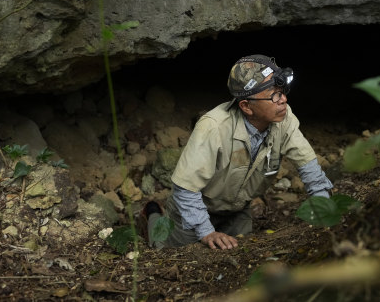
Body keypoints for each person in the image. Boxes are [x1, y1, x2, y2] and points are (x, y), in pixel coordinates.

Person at [143, 54, 333, 250]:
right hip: (195, 206)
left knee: (242, 255)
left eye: (282, 91)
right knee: (166, 250)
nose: (283, 99)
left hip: (237, 210)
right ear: (246, 106)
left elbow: (308, 165)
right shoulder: (214, 127)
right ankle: (152, 214)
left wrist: (325, 210)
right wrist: (206, 231)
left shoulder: (284, 118)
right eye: (274, 95)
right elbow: (186, 188)